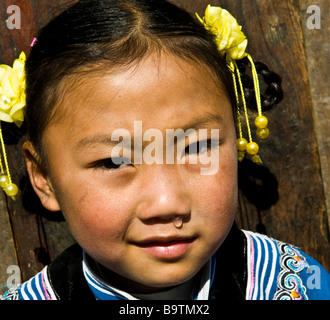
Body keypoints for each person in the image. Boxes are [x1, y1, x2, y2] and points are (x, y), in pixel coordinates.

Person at [1, 0, 329, 300]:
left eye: (197, 147)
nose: (166, 203)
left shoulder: (294, 285)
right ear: (43, 176)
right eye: (114, 161)